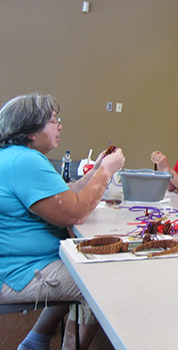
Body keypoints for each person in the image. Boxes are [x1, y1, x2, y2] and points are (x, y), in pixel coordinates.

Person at [0, 93, 125, 350]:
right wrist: (107, 171)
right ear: (31, 131)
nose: (60, 126)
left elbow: (66, 194)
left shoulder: (15, 156)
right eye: (53, 121)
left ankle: (37, 339)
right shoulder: (26, 161)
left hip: (20, 263)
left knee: (85, 261)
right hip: (20, 272)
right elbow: (76, 212)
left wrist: (96, 169)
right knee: (103, 277)